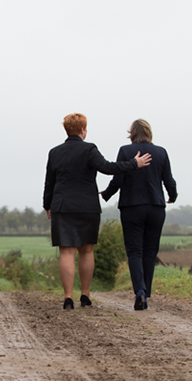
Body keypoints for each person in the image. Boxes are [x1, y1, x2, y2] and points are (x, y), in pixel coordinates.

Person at [44, 113, 151, 310]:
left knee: (66, 252)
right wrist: (134, 164)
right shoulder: (89, 149)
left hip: (63, 206)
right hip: (88, 207)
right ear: (83, 130)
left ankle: (68, 297)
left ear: (66, 130)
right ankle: (85, 295)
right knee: (87, 250)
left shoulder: (55, 152)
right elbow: (108, 168)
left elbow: (49, 182)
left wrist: (47, 205)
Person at [101, 119, 177, 311]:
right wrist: (172, 196)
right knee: (150, 252)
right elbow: (168, 179)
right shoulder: (161, 152)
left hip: (131, 207)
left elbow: (118, 179)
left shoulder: (126, 151)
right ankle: (146, 292)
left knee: (134, 251)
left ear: (131, 134)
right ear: (149, 132)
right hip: (155, 207)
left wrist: (106, 194)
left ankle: (140, 292)